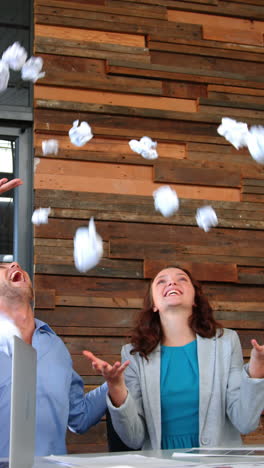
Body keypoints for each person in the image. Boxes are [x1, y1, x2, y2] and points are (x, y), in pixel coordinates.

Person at [84, 266, 264, 450]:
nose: (171, 282)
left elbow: (245, 423)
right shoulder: (134, 355)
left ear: (195, 299)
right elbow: (134, 438)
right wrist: (116, 387)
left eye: (182, 279)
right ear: (153, 304)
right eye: (161, 281)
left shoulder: (226, 342)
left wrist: (257, 370)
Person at [0, 261, 108, 457]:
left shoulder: (55, 347)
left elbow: (79, 418)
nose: (15, 264)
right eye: (2, 267)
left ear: (32, 294)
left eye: (14, 264)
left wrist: (115, 382)